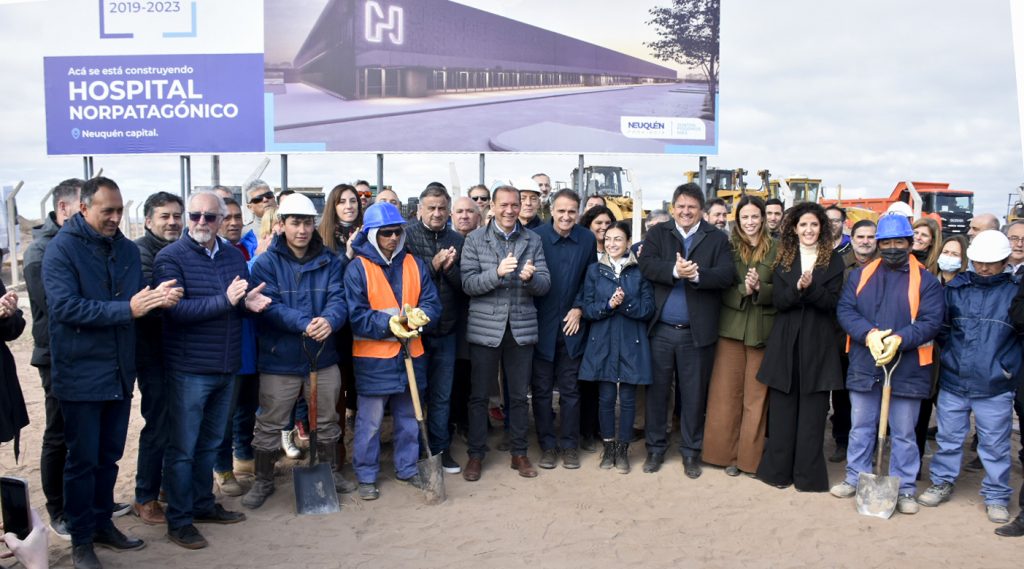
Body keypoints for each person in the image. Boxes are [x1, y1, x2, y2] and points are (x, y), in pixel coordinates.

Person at [43, 176, 181, 569]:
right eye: (108, 211)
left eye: (120, 210)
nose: (116, 218)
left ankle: (103, 523)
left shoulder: (124, 249)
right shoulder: (62, 250)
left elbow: (136, 299)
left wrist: (159, 298)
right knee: (82, 460)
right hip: (80, 373)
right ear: (84, 208)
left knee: (109, 456)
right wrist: (129, 310)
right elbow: (66, 307)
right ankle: (81, 540)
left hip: (119, 372)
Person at [153, 191, 271, 549]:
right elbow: (176, 312)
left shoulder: (234, 257)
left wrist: (248, 305)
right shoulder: (169, 257)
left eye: (209, 216)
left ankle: (203, 504)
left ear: (222, 219)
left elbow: (236, 305)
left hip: (226, 366)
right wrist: (227, 300)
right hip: (189, 369)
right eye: (195, 216)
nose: (201, 222)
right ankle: (179, 519)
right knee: (183, 448)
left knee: (209, 445)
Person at [244, 193, 356, 508]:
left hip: (322, 356)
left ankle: (330, 472)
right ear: (282, 224)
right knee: (270, 422)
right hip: (280, 357)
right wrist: (305, 323)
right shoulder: (266, 262)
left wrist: (331, 320)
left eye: (307, 222)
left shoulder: (331, 260)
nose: (302, 230)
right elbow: (269, 307)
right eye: (295, 222)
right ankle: (263, 480)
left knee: (327, 420)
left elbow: (339, 298)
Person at [832, 214, 944, 515]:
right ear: (879, 244)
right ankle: (855, 477)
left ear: (909, 244)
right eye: (887, 243)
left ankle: (905, 487)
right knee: (861, 427)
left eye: (899, 242)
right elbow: (846, 310)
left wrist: (899, 339)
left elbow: (932, 320)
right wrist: (868, 334)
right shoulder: (860, 275)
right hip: (865, 364)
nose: (893, 247)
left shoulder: (927, 281)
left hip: (907, 368)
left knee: (905, 432)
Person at [918, 230, 1021, 525]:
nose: (984, 268)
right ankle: (942, 482)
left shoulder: (1014, 292)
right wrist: (951, 356)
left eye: (991, 263)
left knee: (995, 444)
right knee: (949, 438)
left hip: (995, 383)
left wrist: (1005, 366)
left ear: (1004, 261)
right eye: (978, 262)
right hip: (954, 378)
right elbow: (943, 328)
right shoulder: (957, 289)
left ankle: (997, 495)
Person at [344, 203, 441, 499]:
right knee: (370, 424)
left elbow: (432, 304)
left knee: (410, 419)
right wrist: (392, 323)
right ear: (372, 234)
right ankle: (366, 475)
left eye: (397, 231)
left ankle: (408, 468)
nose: (393, 238)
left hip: (411, 356)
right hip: (373, 360)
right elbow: (356, 316)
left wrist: (421, 317)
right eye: (386, 233)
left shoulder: (415, 264)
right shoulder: (357, 269)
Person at [638, 183, 734, 477]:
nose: (685, 211)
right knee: (657, 393)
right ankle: (655, 448)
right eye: (680, 206)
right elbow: (646, 265)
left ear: (701, 210)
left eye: (692, 207)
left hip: (697, 332)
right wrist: (675, 271)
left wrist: (697, 275)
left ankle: (691, 452)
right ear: (672, 208)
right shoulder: (658, 233)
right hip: (661, 331)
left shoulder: (717, 238)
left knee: (693, 395)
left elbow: (727, 274)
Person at [461, 185, 551, 481]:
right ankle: (476, 455)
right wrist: (496, 273)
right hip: (486, 329)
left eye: (515, 205)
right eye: (504, 205)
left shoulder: (533, 239)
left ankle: (519, 453)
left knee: (518, 396)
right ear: (493, 208)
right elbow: (469, 284)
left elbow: (545, 285)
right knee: (477, 397)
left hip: (521, 329)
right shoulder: (475, 239)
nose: (510, 210)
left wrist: (531, 279)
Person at [755, 201, 844, 492]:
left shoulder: (834, 260)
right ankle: (777, 472)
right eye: (803, 224)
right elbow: (779, 301)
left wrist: (812, 288)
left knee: (812, 414)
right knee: (782, 411)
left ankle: (808, 477)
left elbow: (832, 303)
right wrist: (797, 289)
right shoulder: (784, 258)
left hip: (818, 343)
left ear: (822, 228)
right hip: (786, 342)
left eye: (814, 225)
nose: (808, 229)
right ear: (794, 228)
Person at [23, 178, 81, 539]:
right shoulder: (41, 252)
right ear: (64, 208)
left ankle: (87, 503)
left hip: (85, 356)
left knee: (84, 436)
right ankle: (58, 510)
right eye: (85, 209)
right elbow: (59, 308)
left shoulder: (75, 244)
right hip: (56, 355)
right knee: (58, 434)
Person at [702, 195, 776, 477]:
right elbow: (719, 283)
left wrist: (761, 290)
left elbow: (781, 288)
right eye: (744, 217)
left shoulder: (779, 248)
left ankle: (749, 460)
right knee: (725, 395)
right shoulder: (727, 247)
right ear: (737, 219)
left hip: (762, 330)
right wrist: (745, 290)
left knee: (756, 398)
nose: (750, 222)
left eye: (755, 216)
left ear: (764, 218)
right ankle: (723, 455)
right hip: (730, 328)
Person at [579, 221, 654, 473]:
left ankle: (623, 450)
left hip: (631, 340)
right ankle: (608, 447)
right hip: (602, 341)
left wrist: (625, 303)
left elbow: (648, 309)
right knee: (607, 397)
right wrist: (608, 305)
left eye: (618, 239)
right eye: (608, 239)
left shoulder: (640, 271)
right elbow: (587, 308)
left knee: (630, 398)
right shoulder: (593, 271)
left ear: (628, 242)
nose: (612, 244)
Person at [531, 189, 596, 469]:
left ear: (578, 212)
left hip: (572, 327)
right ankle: (547, 445)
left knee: (570, 390)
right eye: (561, 211)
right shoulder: (537, 238)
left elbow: (590, 279)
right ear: (551, 212)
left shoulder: (587, 239)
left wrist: (579, 307)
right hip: (541, 326)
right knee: (542, 390)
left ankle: (569, 445)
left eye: (572, 211)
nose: (566, 216)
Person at [404, 184, 465, 474]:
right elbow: (403, 281)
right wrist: (433, 264)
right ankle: (417, 452)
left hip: (448, 330)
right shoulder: (405, 236)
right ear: (419, 210)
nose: (437, 213)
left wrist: (450, 268)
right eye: (431, 208)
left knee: (442, 395)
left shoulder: (457, 239)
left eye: (442, 208)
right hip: (415, 332)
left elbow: (465, 286)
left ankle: (440, 451)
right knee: (415, 395)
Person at [132, 191, 184, 525]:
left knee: (178, 424)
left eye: (177, 215)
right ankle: (145, 497)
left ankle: (167, 488)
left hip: (180, 351)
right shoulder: (140, 254)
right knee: (158, 425)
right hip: (152, 353)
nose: (172, 222)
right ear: (149, 220)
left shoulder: (180, 250)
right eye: (164, 216)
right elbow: (150, 300)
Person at [212, 197, 260, 497]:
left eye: (237, 216)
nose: (233, 222)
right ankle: (222, 467)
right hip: (224, 349)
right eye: (226, 217)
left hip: (250, 344)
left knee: (247, 406)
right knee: (224, 414)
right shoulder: (210, 256)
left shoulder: (239, 255)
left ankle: (244, 456)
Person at [828, 219, 878, 463]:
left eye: (870, 237)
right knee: (841, 394)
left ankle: (871, 444)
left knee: (869, 395)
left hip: (874, 343)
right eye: (861, 237)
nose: (865, 241)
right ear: (853, 239)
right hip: (842, 340)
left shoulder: (883, 266)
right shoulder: (839, 263)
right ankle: (841, 440)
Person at [577, 205, 617, 450]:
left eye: (607, 223)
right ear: (589, 225)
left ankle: (602, 427)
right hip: (585, 318)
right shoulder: (584, 249)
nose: (602, 227)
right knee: (587, 380)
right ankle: (586, 429)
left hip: (607, 322)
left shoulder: (615, 250)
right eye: (598, 223)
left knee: (604, 379)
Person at [319, 183, 363, 259]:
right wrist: (348, 255)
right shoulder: (320, 235)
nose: (349, 206)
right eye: (342, 202)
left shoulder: (367, 232)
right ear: (333, 207)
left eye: (353, 201)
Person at [241, 179, 277, 257]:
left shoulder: (290, 225)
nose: (265, 200)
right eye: (258, 199)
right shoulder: (243, 235)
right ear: (250, 207)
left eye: (269, 195)